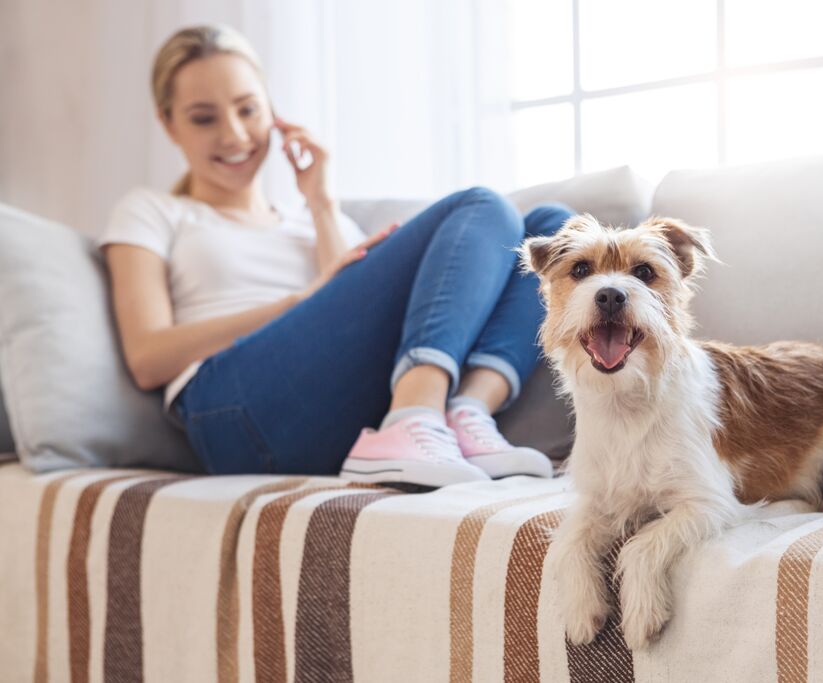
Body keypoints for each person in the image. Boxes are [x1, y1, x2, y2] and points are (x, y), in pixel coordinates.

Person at [97, 24, 572, 487]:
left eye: (248, 109)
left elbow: (355, 318)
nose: (234, 134)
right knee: (481, 208)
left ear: (273, 112)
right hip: (233, 412)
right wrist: (295, 303)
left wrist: (321, 204)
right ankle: (416, 411)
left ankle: (465, 411)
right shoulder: (154, 211)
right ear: (168, 123)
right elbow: (146, 356)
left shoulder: (318, 218)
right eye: (204, 118)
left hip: (338, 412)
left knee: (554, 229)